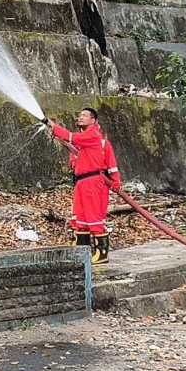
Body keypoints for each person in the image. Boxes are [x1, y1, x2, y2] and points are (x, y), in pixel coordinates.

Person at [47, 108, 121, 264]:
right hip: (81, 181)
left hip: (92, 181)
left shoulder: (93, 135)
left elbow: (71, 137)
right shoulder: (82, 141)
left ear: (93, 121)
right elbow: (73, 152)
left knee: (93, 216)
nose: (80, 117)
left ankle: (101, 253)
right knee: (80, 216)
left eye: (84, 115)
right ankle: (82, 251)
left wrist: (52, 126)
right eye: (79, 115)